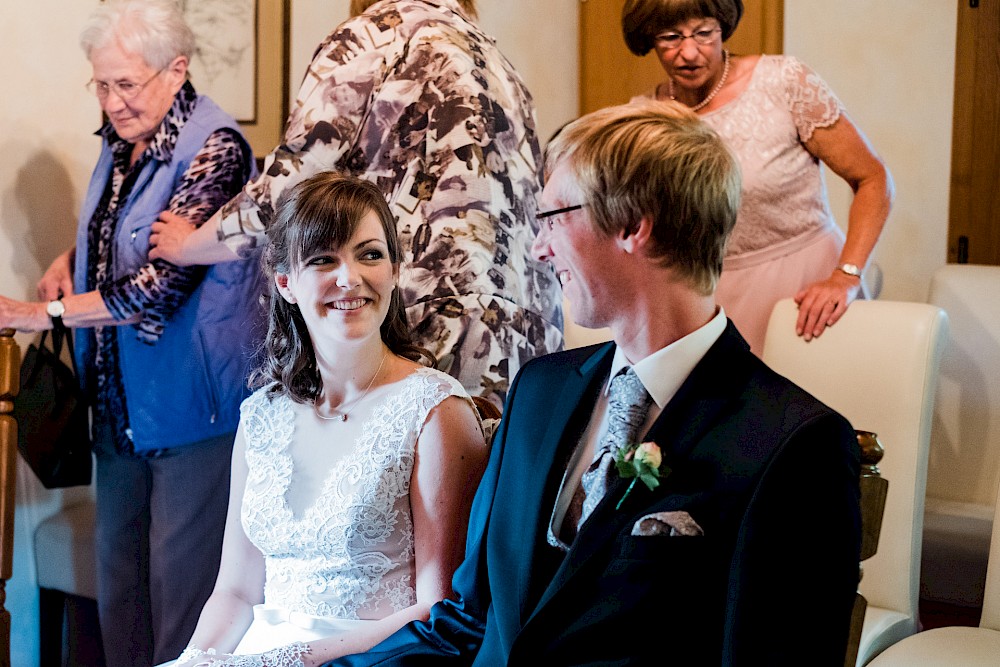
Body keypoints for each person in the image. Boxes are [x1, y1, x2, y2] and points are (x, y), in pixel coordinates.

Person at [319, 100, 862, 666]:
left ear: (633, 226)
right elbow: (468, 620)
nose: (539, 246)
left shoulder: (795, 443)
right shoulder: (539, 393)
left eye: (553, 217)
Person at [0, 1, 258, 664]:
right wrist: (74, 256)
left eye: (126, 84)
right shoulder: (123, 140)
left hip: (188, 413)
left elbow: (158, 290)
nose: (112, 102)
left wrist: (40, 316)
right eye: (101, 84)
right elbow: (127, 235)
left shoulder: (216, 149)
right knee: (120, 598)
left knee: (182, 606)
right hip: (117, 411)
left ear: (176, 71)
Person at [147, 0, 563, 405]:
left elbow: (289, 191)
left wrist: (187, 246)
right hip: (530, 339)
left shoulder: (374, 35)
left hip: (429, 315)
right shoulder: (497, 60)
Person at [168, 174, 488, 667]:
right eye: (323, 259)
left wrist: (289, 660)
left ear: (395, 269)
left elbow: (440, 609)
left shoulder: (435, 411)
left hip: (376, 659)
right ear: (285, 284)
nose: (349, 277)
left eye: (370, 254)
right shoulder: (261, 416)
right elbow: (234, 592)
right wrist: (196, 660)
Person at [623, 0, 894, 354]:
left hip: (808, 295)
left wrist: (845, 276)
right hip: (707, 304)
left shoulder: (782, 82)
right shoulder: (642, 118)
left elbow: (873, 179)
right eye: (671, 37)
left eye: (704, 33)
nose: (688, 53)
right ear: (649, 39)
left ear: (723, 25)